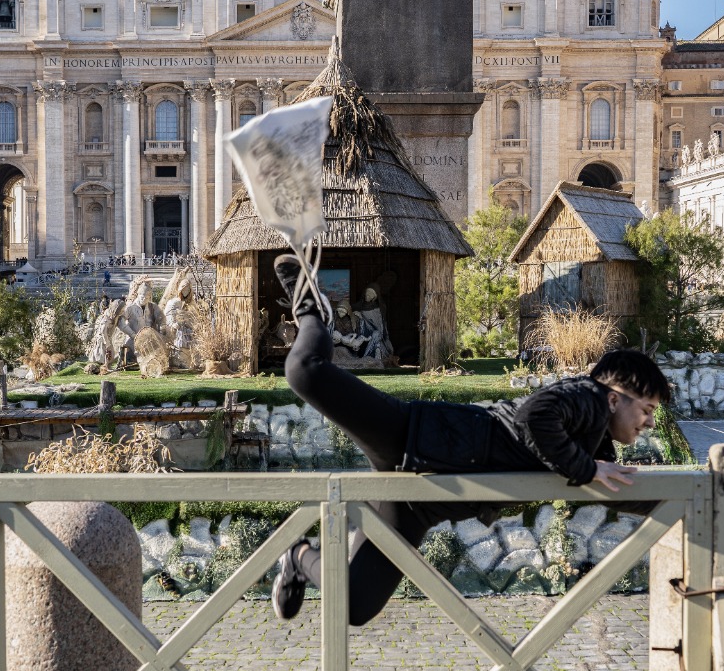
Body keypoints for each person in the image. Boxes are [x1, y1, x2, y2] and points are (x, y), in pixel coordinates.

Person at [270, 253, 670, 626]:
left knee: (355, 605)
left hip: (419, 503)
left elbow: (613, 486)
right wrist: (586, 469)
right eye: (647, 410)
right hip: (411, 437)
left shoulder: (593, 439)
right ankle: (312, 310)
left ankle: (299, 556)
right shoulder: (587, 397)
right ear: (615, 397)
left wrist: (678, 503)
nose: (649, 424)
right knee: (305, 370)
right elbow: (535, 417)